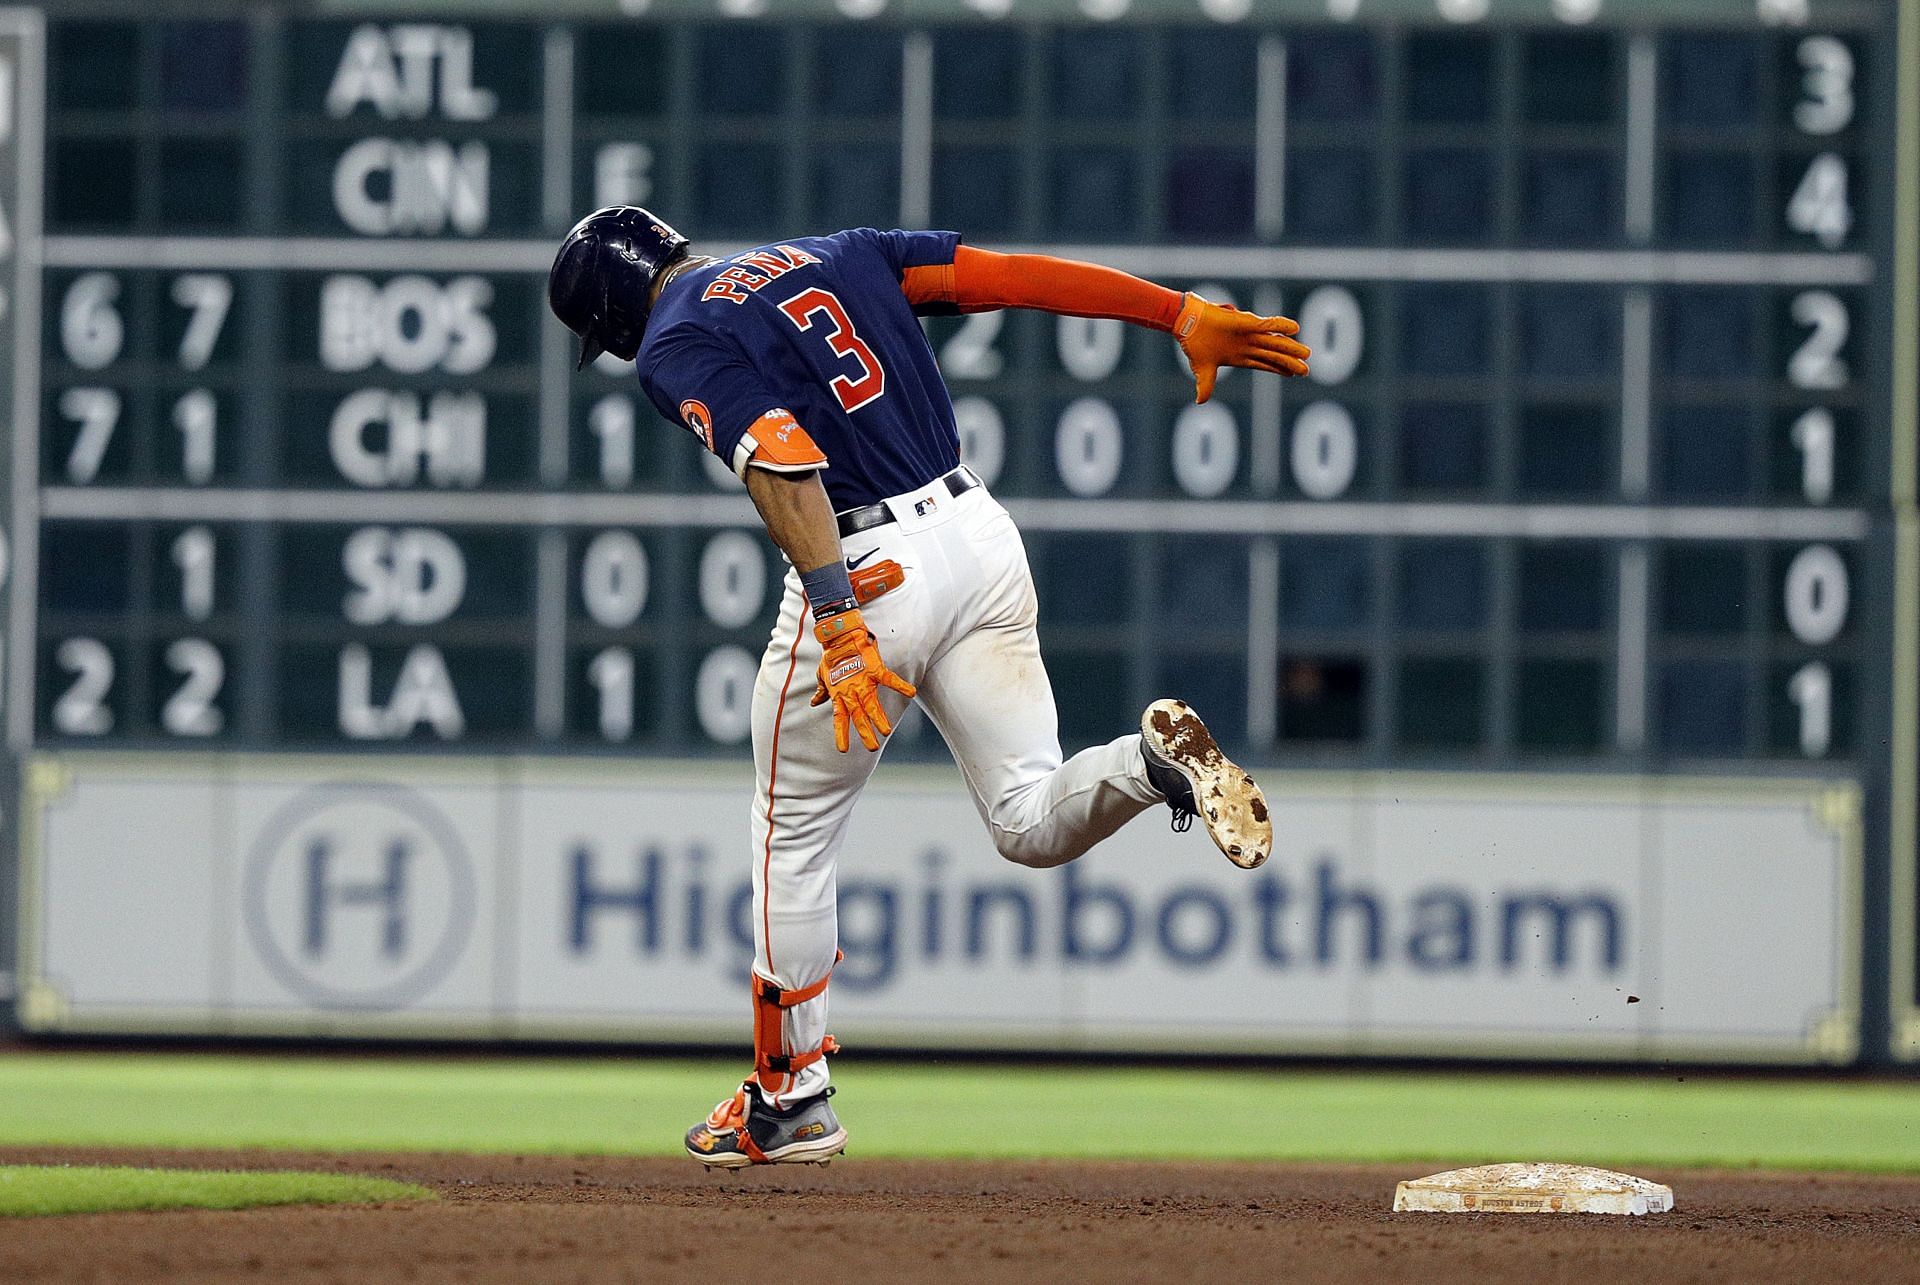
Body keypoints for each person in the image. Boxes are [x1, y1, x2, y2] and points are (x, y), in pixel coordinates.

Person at [548, 208, 1311, 1168]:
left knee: (791, 828)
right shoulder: (841, 251)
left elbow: (781, 454)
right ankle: (1149, 764)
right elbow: (1015, 272)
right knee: (1028, 817)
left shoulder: (675, 337)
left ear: (610, 317)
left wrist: (838, 622)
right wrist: (1178, 314)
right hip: (979, 535)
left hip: (869, 565)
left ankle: (791, 1097)